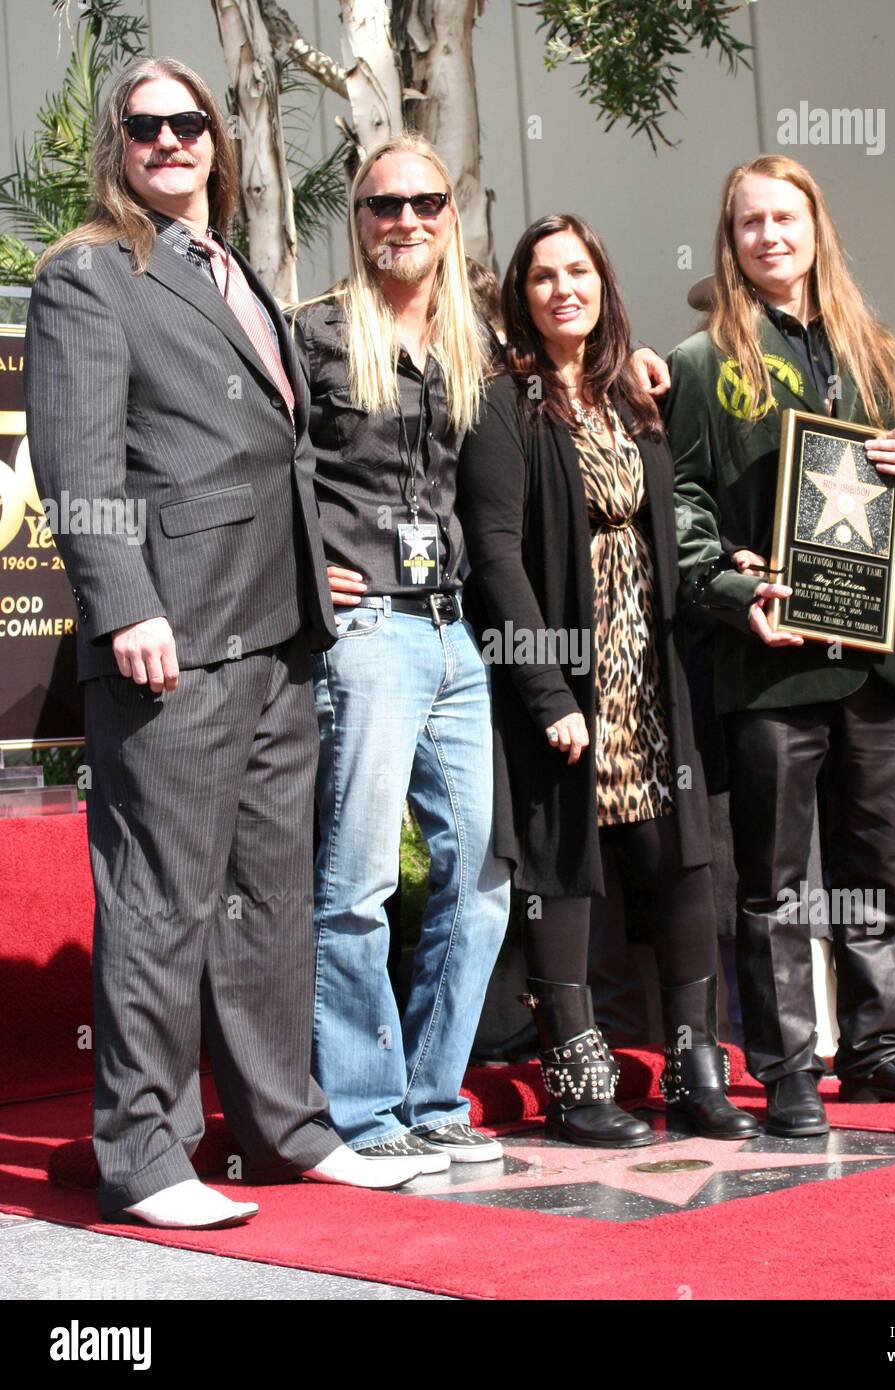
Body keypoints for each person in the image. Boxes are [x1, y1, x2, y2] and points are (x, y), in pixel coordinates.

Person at [24, 58, 426, 1229]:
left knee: (268, 894)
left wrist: (316, 569)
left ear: (215, 138)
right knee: (159, 902)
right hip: (175, 638)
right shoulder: (91, 274)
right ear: (118, 144)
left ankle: (282, 1125)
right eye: (146, 126)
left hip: (281, 632)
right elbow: (78, 469)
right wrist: (125, 604)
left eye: (189, 122)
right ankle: (145, 1156)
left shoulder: (235, 267)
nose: (171, 141)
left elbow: (279, 450)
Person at [664, 154, 895, 1137]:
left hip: (881, 649)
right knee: (772, 877)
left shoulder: (878, 346)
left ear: (815, 229)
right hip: (770, 654)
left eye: (785, 218)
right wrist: (730, 588)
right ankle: (788, 1067)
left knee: (874, 860)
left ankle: (882, 1047)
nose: (769, 235)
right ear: (732, 240)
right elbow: (675, 507)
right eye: (749, 221)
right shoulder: (700, 361)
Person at [459, 212, 762, 1147]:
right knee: (563, 866)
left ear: (603, 284)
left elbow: (670, 526)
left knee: (681, 865)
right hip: (567, 676)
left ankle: (695, 1072)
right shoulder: (504, 404)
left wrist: (728, 572)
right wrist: (547, 691)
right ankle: (576, 1080)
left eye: (579, 271)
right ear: (522, 295)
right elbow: (498, 556)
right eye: (544, 275)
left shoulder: (632, 396)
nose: (563, 289)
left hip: (656, 666)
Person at [290, 135, 512, 1172]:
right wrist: (297, 568)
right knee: (357, 883)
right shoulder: (316, 335)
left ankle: (431, 1095)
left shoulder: (471, 347)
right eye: (385, 203)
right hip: (368, 632)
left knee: (478, 880)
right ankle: (364, 1111)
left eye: (425, 200)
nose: (405, 219)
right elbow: (256, 463)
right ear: (359, 215)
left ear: (449, 213)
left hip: (451, 627)